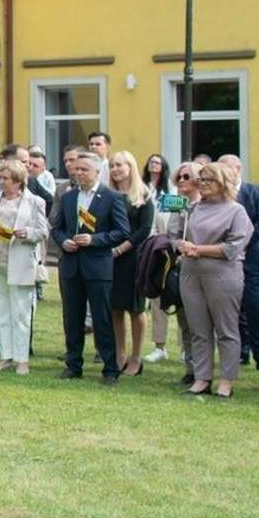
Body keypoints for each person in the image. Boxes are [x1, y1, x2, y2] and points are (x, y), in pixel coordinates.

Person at [51, 150, 130, 383]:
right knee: (72, 318)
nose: (79, 173)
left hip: (97, 266)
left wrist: (94, 240)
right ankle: (73, 364)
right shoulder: (68, 197)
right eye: (76, 169)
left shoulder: (112, 197)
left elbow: (122, 231)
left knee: (101, 318)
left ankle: (110, 368)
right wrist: (63, 241)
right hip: (71, 264)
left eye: (84, 169)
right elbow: (57, 227)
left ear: (97, 171)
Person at [178, 162, 254, 398]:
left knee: (226, 329)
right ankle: (202, 377)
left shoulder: (236, 211)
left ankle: (226, 380)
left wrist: (198, 249)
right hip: (191, 273)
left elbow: (233, 247)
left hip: (223, 274)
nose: (202, 184)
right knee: (198, 328)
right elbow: (176, 235)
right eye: (200, 179)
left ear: (223, 183)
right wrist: (179, 245)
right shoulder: (193, 208)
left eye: (208, 179)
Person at [0, 160, 47, 374]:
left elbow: (43, 231)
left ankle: (22, 359)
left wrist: (28, 233)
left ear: (18, 181)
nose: (2, 182)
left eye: (6, 179)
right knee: (0, 312)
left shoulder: (34, 201)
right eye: (1, 178)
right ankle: (6, 356)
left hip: (20, 261)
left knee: (20, 313)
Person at [107, 151, 157, 376]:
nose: (115, 169)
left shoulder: (143, 195)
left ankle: (136, 357)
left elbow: (144, 230)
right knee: (115, 308)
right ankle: (120, 354)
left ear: (130, 167)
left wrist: (120, 249)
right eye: (112, 165)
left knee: (136, 309)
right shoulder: (108, 194)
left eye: (119, 165)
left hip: (134, 259)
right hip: (110, 258)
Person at [225, 153, 259, 373]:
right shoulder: (219, 194)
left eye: (227, 168)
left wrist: (240, 244)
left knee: (254, 306)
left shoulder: (255, 192)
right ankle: (241, 352)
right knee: (233, 309)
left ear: (238, 169)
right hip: (226, 260)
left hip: (252, 258)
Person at [146, 163, 196, 367]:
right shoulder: (176, 202)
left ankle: (193, 358)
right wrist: (174, 245)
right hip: (174, 263)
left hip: (201, 265)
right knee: (176, 312)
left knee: (195, 318)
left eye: (186, 177)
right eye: (179, 177)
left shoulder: (207, 204)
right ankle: (181, 360)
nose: (181, 181)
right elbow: (172, 233)